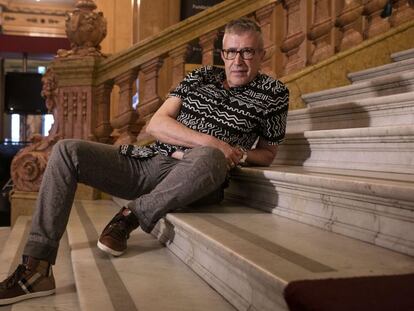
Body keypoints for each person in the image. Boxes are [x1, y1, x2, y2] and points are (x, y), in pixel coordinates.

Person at [0, 17, 289, 305]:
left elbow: (267, 154)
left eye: (247, 51)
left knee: (210, 157)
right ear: (222, 53)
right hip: (150, 160)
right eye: (231, 52)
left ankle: (130, 217)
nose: (238, 61)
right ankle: (35, 270)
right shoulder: (200, 76)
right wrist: (215, 142)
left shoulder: (274, 94)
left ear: (261, 53)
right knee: (66, 150)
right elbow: (157, 125)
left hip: (199, 177)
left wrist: (232, 153)